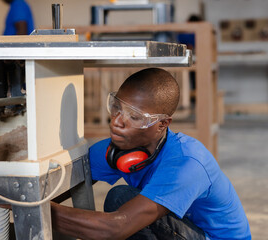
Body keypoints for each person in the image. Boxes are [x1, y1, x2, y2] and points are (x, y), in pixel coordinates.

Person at [51, 68, 251, 240]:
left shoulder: (187, 164)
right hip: (185, 229)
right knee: (125, 202)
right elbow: (68, 179)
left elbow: (115, 228)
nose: (117, 122)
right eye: (116, 108)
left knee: (121, 199)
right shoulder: (118, 148)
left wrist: (37, 212)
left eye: (134, 117)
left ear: (162, 124)